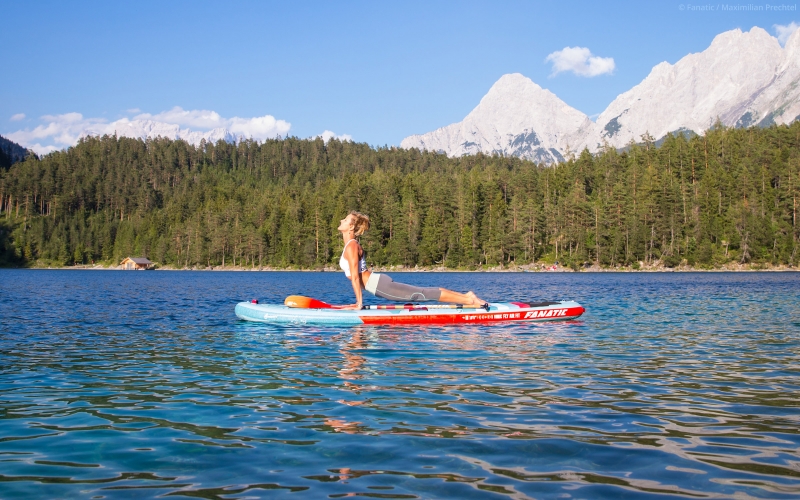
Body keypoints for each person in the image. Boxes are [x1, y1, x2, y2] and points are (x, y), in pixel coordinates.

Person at [337, 211, 487, 310]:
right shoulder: (350, 245)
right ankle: (467, 296)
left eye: (344, 220)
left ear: (350, 227)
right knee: (423, 292)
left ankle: (469, 301)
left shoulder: (352, 246)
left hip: (378, 285)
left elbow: (356, 277)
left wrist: (359, 304)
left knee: (422, 294)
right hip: (377, 283)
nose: (341, 220)